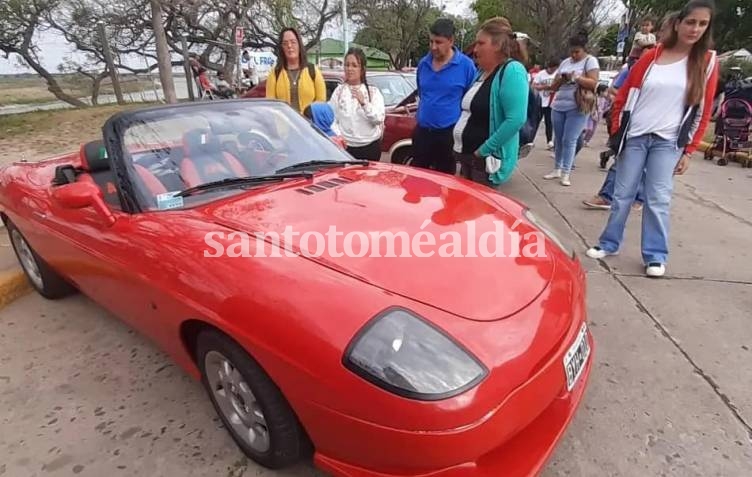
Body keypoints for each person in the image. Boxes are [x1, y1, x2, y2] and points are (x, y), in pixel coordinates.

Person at [586, 0, 719, 278]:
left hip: (668, 141)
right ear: (679, 23)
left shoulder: (706, 62)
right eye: (690, 22)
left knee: (657, 199)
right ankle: (609, 243)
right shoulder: (653, 55)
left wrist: (689, 150)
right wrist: (616, 131)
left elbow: (704, 110)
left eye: (702, 24)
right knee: (622, 195)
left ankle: (655, 255)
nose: (695, 28)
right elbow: (623, 94)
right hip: (635, 136)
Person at [583, 11, 678, 210]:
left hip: (664, 130)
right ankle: (608, 196)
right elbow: (617, 92)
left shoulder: (683, 68)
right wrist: (618, 122)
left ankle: (639, 198)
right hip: (635, 124)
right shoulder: (638, 65)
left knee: (649, 169)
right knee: (622, 160)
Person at [452, 17, 529, 188]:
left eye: (481, 43)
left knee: (477, 212)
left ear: (498, 45)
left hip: (482, 162)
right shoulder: (481, 73)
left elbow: (516, 119)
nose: (475, 49)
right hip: (466, 157)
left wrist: (483, 150)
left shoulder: (512, 71)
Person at [412, 18, 477, 174]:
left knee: (445, 183)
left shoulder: (466, 66)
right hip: (422, 133)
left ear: (451, 40)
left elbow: (470, 101)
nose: (433, 47)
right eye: (431, 42)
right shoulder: (423, 64)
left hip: (448, 135)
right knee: (417, 180)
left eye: (439, 42)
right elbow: (422, 93)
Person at [544, 31, 600, 186]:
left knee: (570, 139)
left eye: (577, 52)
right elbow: (554, 85)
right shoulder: (565, 63)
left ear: (584, 49)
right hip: (559, 104)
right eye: (572, 52)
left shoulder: (590, 61)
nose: (574, 55)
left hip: (578, 106)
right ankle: (557, 168)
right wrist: (562, 79)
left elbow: (594, 83)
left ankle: (566, 172)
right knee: (559, 139)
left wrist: (576, 78)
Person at [328, 47, 386, 160]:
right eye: (347, 65)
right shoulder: (339, 91)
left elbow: (379, 118)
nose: (350, 69)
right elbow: (332, 119)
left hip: (369, 148)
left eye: (354, 65)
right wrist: (339, 136)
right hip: (346, 148)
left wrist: (364, 104)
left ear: (362, 69)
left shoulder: (373, 92)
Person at [266, 27, 326, 114]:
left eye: (293, 42)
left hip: (308, 125)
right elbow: (270, 104)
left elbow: (321, 101)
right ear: (282, 48)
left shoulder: (313, 71)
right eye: (285, 43)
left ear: (299, 44)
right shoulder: (275, 73)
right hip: (283, 125)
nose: (289, 46)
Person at [532, 58, 559, 150]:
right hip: (540, 101)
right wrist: (544, 87)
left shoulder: (557, 74)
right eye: (551, 69)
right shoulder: (541, 74)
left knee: (549, 122)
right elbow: (534, 85)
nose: (552, 71)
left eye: (554, 69)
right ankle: (530, 140)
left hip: (551, 102)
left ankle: (549, 141)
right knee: (535, 122)